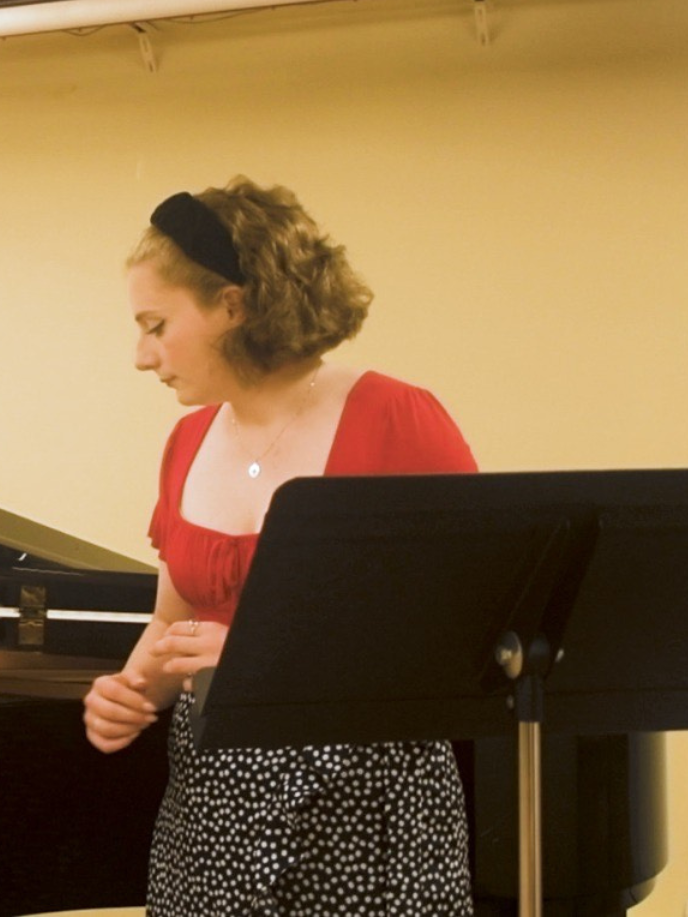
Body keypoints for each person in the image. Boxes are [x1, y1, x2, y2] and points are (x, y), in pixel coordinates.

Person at [83, 177, 477, 914]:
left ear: (231, 306)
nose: (142, 355)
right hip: (213, 802)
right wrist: (130, 695)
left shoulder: (397, 419)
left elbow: (461, 640)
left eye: (156, 324)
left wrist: (270, 661)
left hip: (364, 807)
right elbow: (173, 625)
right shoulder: (187, 441)